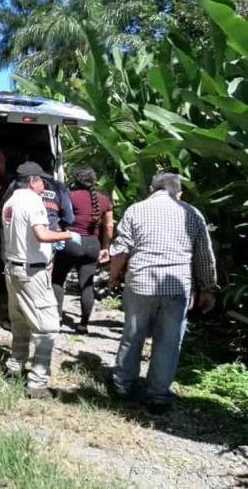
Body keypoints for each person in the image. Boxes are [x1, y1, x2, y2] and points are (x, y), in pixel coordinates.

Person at [108, 172, 217, 414]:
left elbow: (121, 250)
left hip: (140, 284)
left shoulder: (136, 210)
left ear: (151, 189)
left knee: (132, 335)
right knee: (168, 342)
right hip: (177, 286)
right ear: (179, 192)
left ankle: (123, 386)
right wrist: (208, 288)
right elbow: (204, 256)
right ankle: (157, 396)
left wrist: (113, 276)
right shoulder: (192, 213)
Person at [0, 161, 81, 398]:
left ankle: (14, 368)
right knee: (47, 327)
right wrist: (67, 235)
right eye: (42, 181)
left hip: (12, 269)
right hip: (31, 272)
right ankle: (37, 383)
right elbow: (41, 234)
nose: (44, 185)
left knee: (20, 322)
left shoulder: (11, 201)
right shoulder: (33, 200)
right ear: (33, 181)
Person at [52, 167, 114, 334]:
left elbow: (58, 218)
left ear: (76, 180)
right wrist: (105, 247)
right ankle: (83, 324)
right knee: (86, 285)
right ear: (94, 181)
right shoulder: (104, 200)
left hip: (70, 241)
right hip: (92, 244)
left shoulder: (69, 196)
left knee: (58, 280)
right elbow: (108, 226)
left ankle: (56, 319)